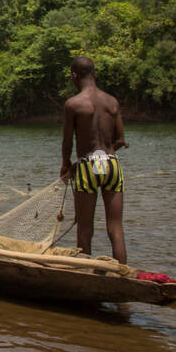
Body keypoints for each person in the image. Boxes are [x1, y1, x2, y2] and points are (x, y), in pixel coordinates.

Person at [59, 56, 128, 264]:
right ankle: (123, 277)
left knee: (85, 228)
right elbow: (120, 140)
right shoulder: (112, 102)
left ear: (74, 75)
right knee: (115, 227)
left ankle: (85, 274)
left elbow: (67, 142)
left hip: (87, 166)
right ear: (95, 74)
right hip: (112, 164)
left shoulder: (73, 104)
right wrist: (107, 153)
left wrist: (66, 165)